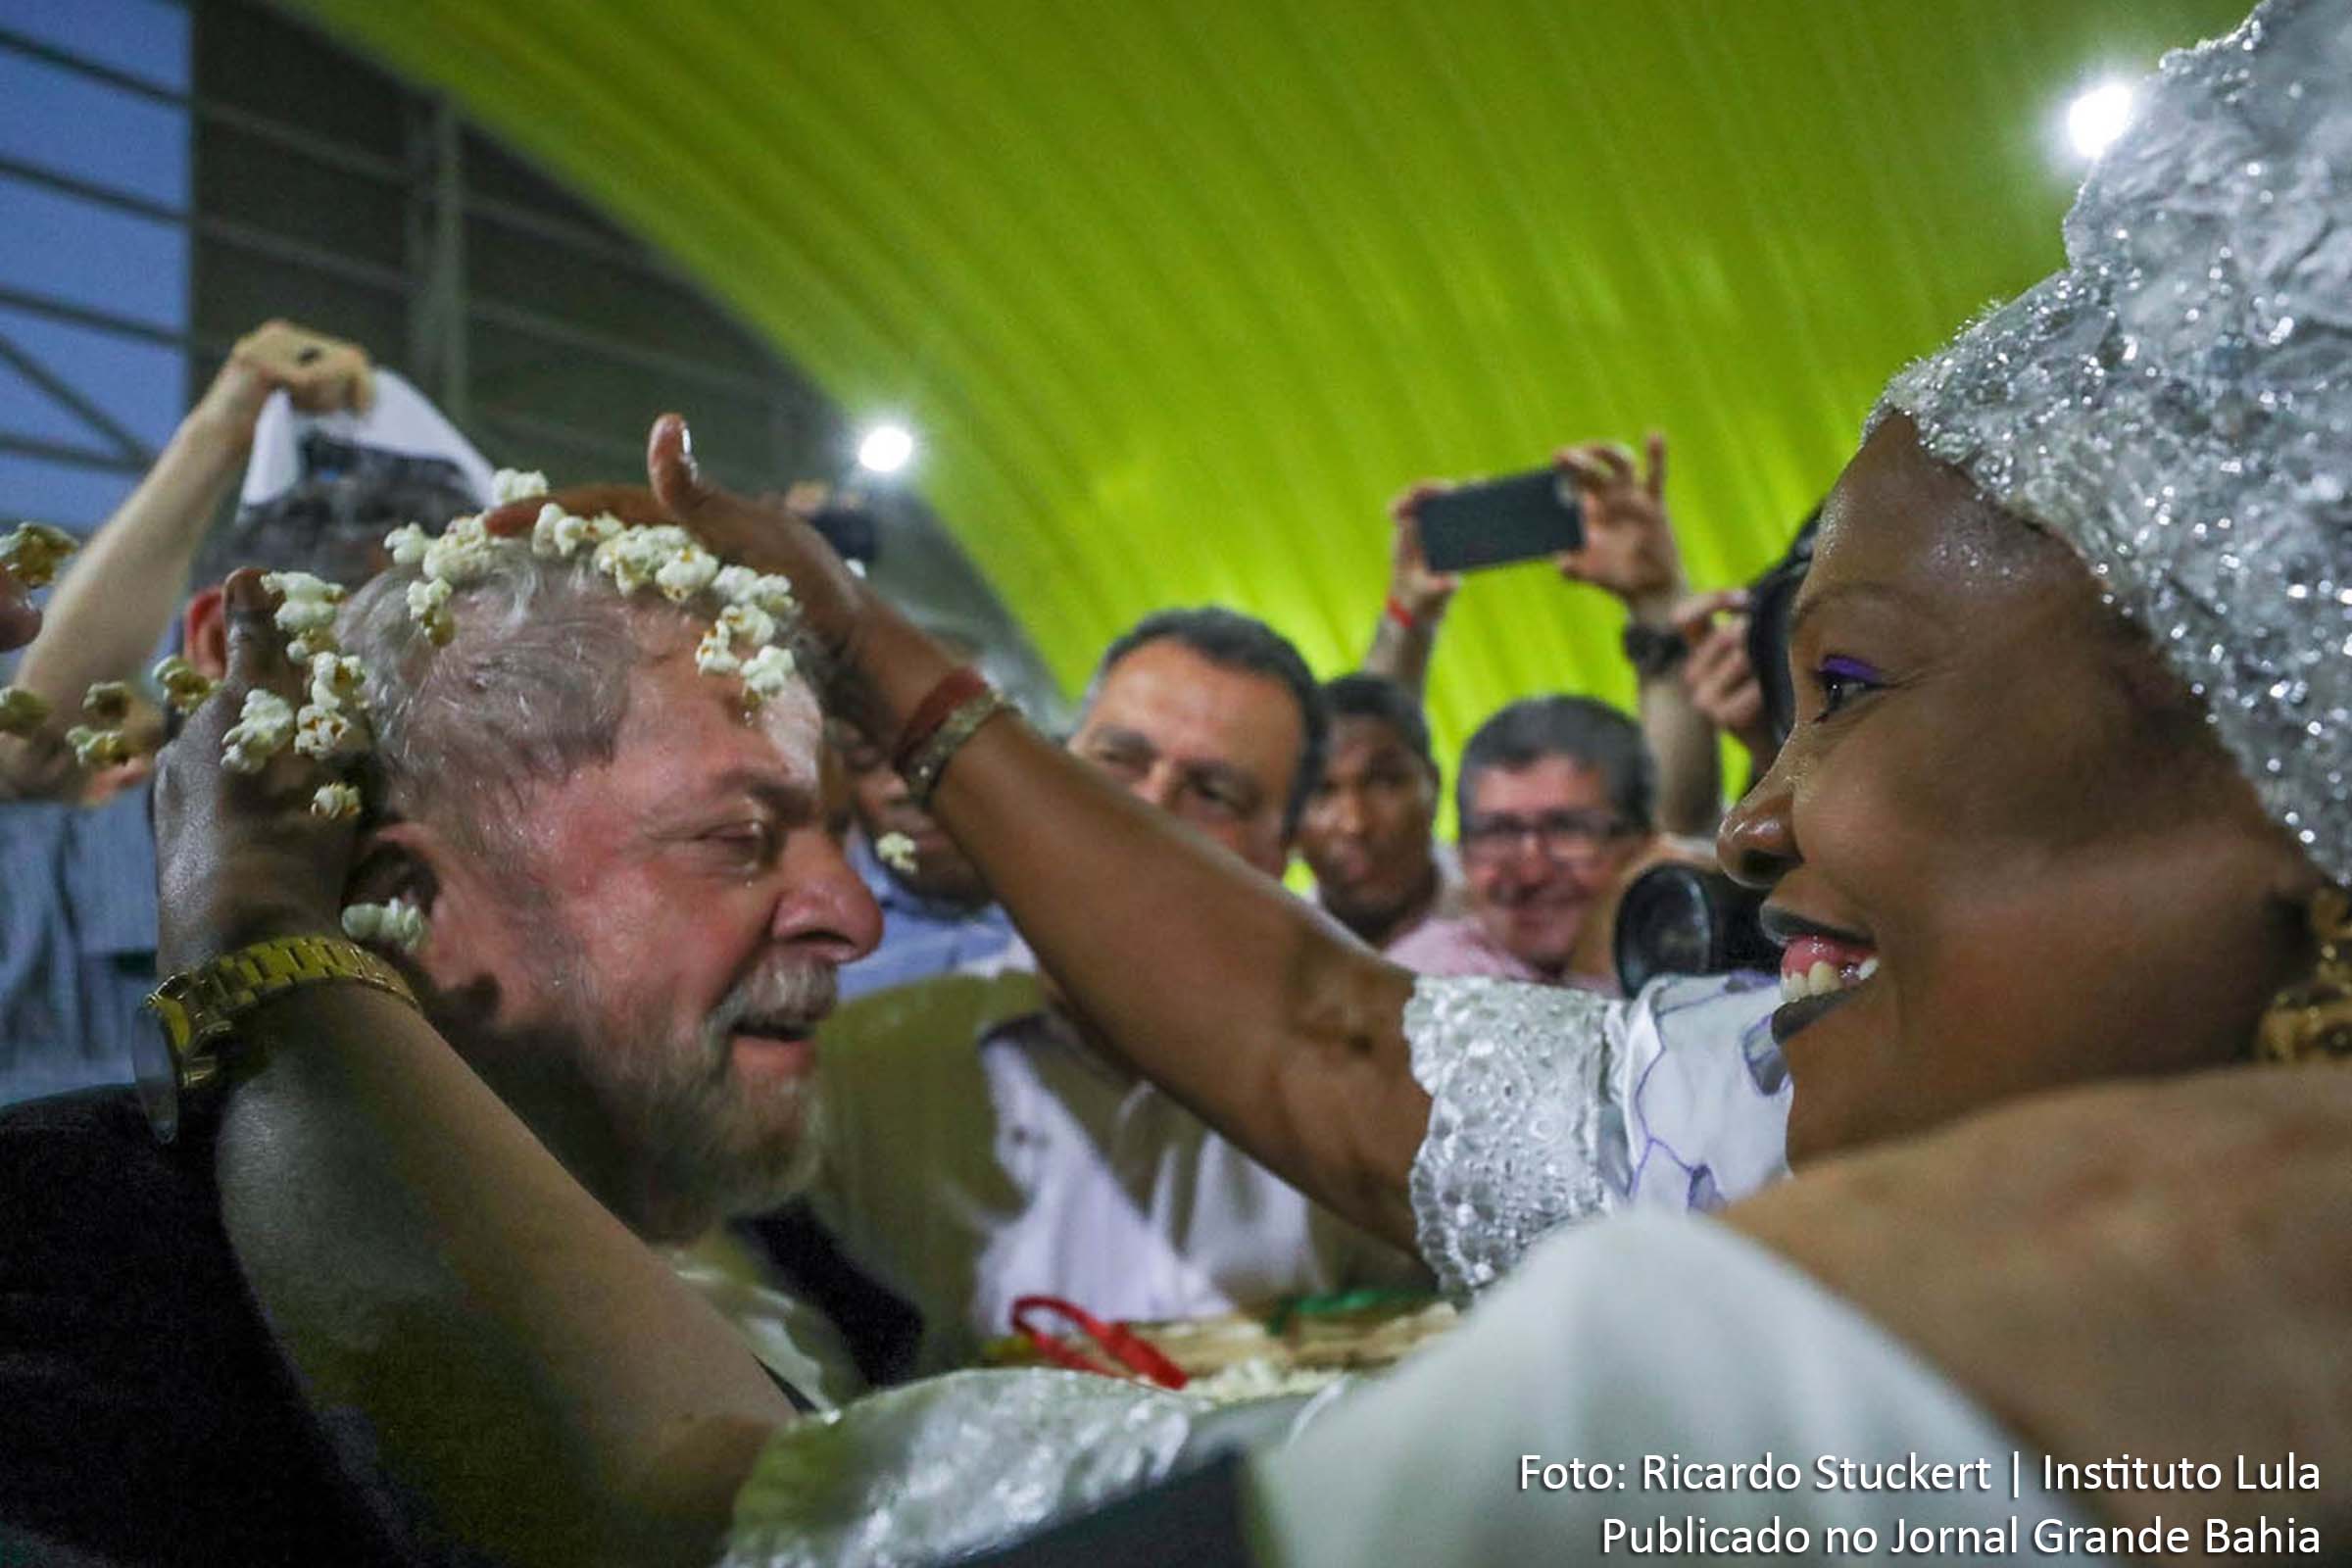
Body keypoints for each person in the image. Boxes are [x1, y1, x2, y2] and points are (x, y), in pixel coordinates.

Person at [143, 0, 2352, 1556]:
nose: (1745, 825)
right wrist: (885, 654)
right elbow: (1342, 1043)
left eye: (1850, 688)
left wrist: (249, 948)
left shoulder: (1864, 1427)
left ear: (2297, 862)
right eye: (748, 822)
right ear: (422, 885)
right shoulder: (1838, 1125)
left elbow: (677, 1517)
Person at [812, 609, 1421, 1369]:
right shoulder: (857, 1074)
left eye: (1214, 793)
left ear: (1282, 856)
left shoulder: (1360, 1109)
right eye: (1117, 760)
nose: (1144, 809)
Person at [1385, 694, 1655, 991]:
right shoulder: (1421, 984)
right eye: (1500, 833)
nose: (1532, 873)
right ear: (1461, 854)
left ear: (1645, 848)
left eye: (1567, 830)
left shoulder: (1695, 969)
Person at [1297, 672, 1461, 952]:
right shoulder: (1276, 953)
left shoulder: (1520, 924)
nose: (1355, 822)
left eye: (1384, 782)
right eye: (1322, 791)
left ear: (1433, 785)